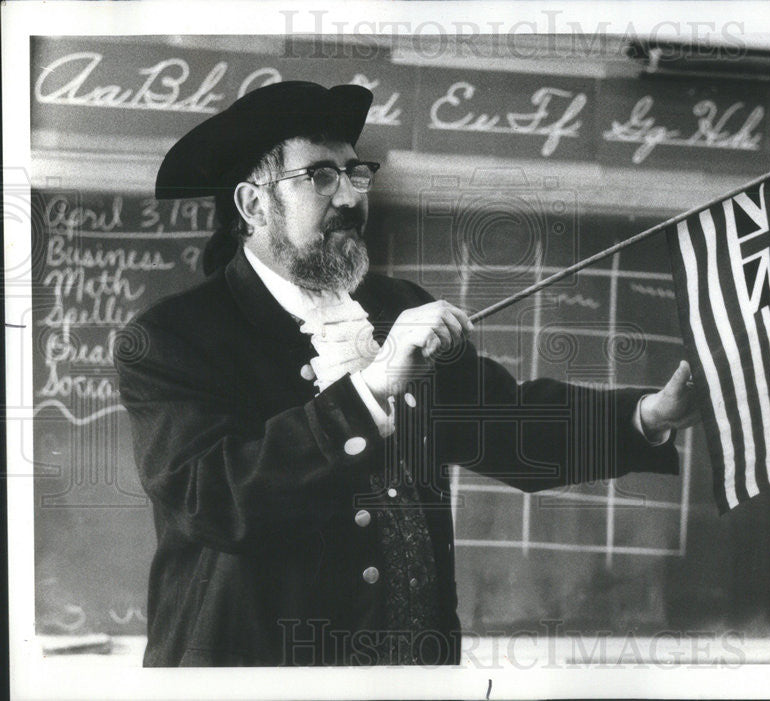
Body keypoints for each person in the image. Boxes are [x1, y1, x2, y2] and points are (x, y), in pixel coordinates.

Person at [115, 81, 698, 667]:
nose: (349, 197)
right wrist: (370, 391)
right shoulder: (172, 339)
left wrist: (645, 417)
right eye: (319, 177)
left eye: (355, 173)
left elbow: (508, 425)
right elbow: (215, 503)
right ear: (252, 205)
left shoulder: (396, 304)